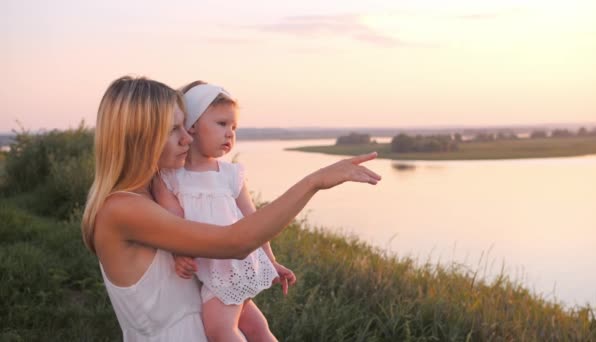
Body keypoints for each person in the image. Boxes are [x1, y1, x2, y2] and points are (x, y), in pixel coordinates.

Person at [81, 76, 381, 341]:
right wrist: (313, 182)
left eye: (185, 126)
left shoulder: (152, 195)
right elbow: (235, 242)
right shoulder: (123, 209)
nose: (188, 137)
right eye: (174, 130)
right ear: (140, 136)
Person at [153, 80, 293, 341]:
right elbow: (171, 219)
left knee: (220, 330)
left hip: (230, 267)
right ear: (192, 125)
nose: (230, 133)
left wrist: (271, 261)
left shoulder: (229, 174)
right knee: (253, 327)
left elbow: (255, 221)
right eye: (221, 124)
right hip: (214, 270)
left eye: (234, 127)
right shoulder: (171, 176)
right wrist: (178, 251)